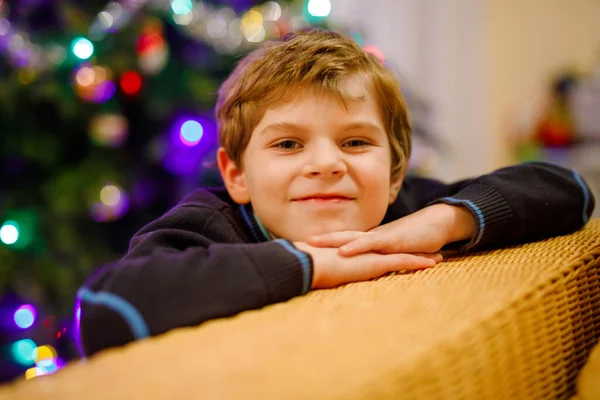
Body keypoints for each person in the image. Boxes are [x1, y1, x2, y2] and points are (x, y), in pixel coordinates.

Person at [76, 29, 595, 357]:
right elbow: (105, 306)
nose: (326, 164)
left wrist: (443, 221)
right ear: (236, 175)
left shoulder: (402, 208)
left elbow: (569, 190)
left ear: (394, 172)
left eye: (354, 141)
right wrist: (307, 263)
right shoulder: (211, 221)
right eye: (287, 143)